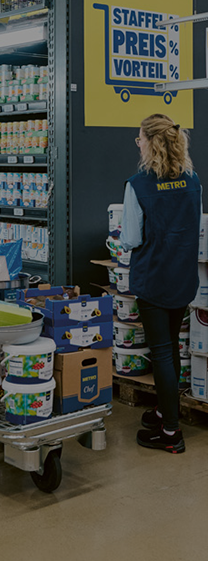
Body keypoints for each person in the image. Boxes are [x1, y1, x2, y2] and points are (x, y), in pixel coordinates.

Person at [120, 114, 201, 454]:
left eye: (139, 138)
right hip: (183, 277)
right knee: (171, 347)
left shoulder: (137, 185)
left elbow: (130, 238)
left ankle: (171, 432)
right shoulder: (192, 180)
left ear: (151, 143)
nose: (136, 143)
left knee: (162, 353)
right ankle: (164, 409)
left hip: (153, 279)